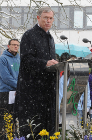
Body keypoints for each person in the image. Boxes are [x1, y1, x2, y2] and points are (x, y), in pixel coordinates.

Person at [14, 7, 58, 138]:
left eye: (50, 18)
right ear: (38, 18)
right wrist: (45, 63)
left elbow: (50, 61)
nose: (48, 21)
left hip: (47, 92)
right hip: (32, 93)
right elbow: (26, 60)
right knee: (33, 130)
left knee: (47, 130)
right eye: (45, 18)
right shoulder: (29, 35)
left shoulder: (50, 38)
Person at [0, 39, 20, 139]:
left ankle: (13, 137)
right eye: (13, 45)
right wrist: (20, 86)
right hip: (5, 92)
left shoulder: (19, 59)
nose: (16, 46)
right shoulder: (2, 59)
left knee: (14, 117)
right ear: (8, 46)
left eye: (17, 45)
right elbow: (6, 77)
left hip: (16, 92)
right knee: (5, 118)